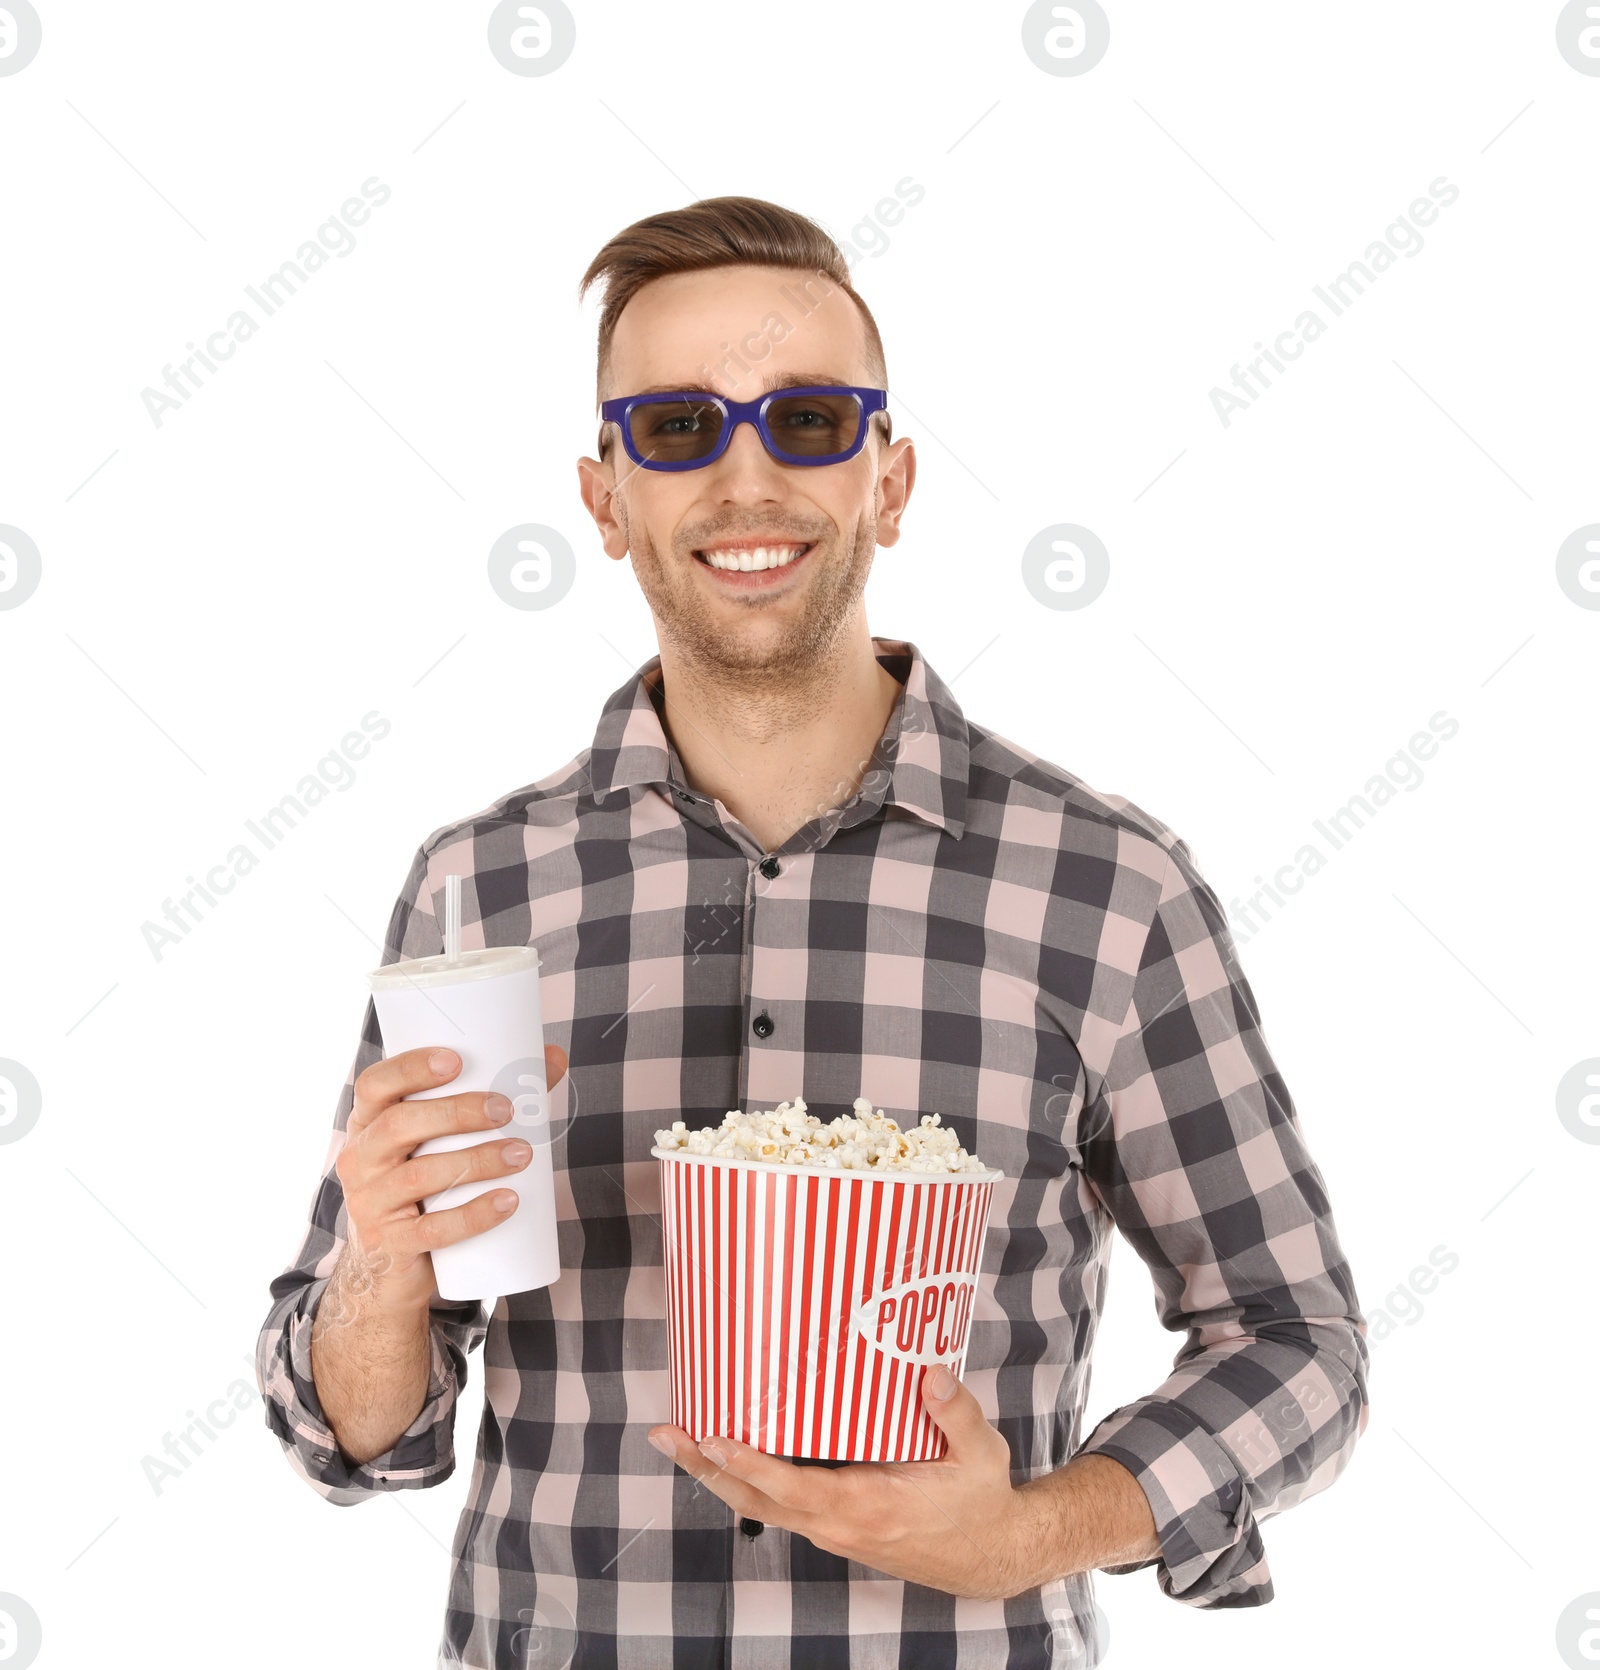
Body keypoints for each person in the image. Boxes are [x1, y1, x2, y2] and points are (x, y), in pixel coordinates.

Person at [256, 196, 1369, 1670]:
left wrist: (1032, 1529)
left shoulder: (1105, 885)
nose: (746, 475)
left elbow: (1297, 1344)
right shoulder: (482, 890)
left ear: (890, 479)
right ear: (604, 500)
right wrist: (379, 1281)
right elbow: (358, 1426)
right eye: (673, 429)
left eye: (807, 419)